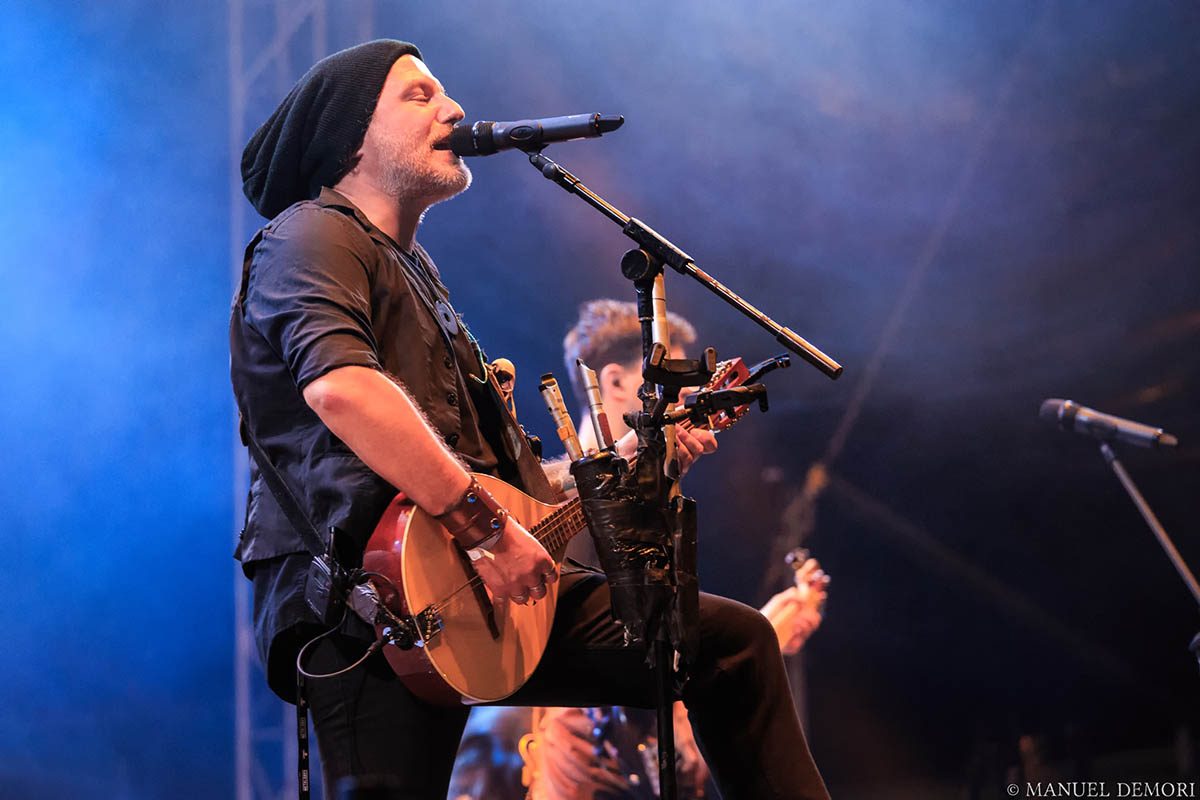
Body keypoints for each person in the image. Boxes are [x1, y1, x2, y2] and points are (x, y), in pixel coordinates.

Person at [231, 39, 829, 800]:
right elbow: (342, 389)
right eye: (419, 95)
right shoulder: (310, 234)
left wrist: (637, 456)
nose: (453, 109)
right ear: (351, 137)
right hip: (366, 599)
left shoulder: (420, 275)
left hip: (468, 578)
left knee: (730, 646)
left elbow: (512, 493)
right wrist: (486, 529)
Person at [451, 300, 829, 800]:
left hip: (627, 772)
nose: (684, 403)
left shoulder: (644, 500)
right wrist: (764, 637)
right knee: (743, 638)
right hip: (569, 776)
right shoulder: (539, 512)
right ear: (612, 381)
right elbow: (611, 664)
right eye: (675, 391)